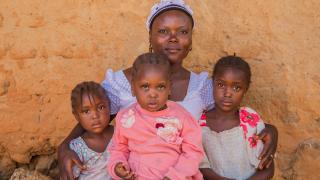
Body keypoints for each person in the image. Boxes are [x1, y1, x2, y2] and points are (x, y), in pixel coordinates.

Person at [58, 1, 278, 179]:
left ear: (190, 40)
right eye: (163, 31)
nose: (173, 38)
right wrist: (64, 146)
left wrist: (269, 129)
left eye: (182, 32)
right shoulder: (124, 83)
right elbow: (95, 118)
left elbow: (227, 116)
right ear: (150, 37)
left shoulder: (202, 87)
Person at [108, 52, 203, 179]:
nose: (153, 94)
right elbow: (119, 149)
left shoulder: (182, 116)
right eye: (145, 87)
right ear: (133, 88)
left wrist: (175, 176)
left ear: (170, 88)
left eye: (160, 87)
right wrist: (118, 166)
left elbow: (193, 152)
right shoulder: (126, 117)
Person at [200, 56, 274, 180]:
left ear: (246, 89)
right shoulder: (199, 124)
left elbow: (267, 166)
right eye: (221, 84)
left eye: (236, 88)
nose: (228, 93)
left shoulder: (249, 119)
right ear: (212, 83)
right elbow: (201, 166)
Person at [68, 81, 114, 179]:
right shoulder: (77, 147)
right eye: (86, 111)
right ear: (77, 116)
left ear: (109, 106)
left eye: (101, 107)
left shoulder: (120, 133)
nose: (95, 116)